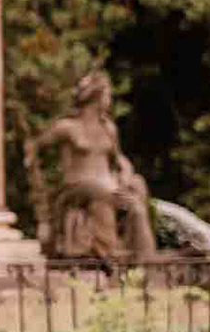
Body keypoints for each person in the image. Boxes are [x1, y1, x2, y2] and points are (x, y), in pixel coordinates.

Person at [27, 70, 156, 259]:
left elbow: (120, 159)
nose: (109, 100)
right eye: (107, 95)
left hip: (107, 186)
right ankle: (108, 257)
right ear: (97, 97)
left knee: (137, 192)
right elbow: (34, 149)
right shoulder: (67, 127)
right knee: (99, 190)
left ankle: (145, 265)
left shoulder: (109, 128)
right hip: (76, 187)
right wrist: (41, 193)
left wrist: (126, 175)